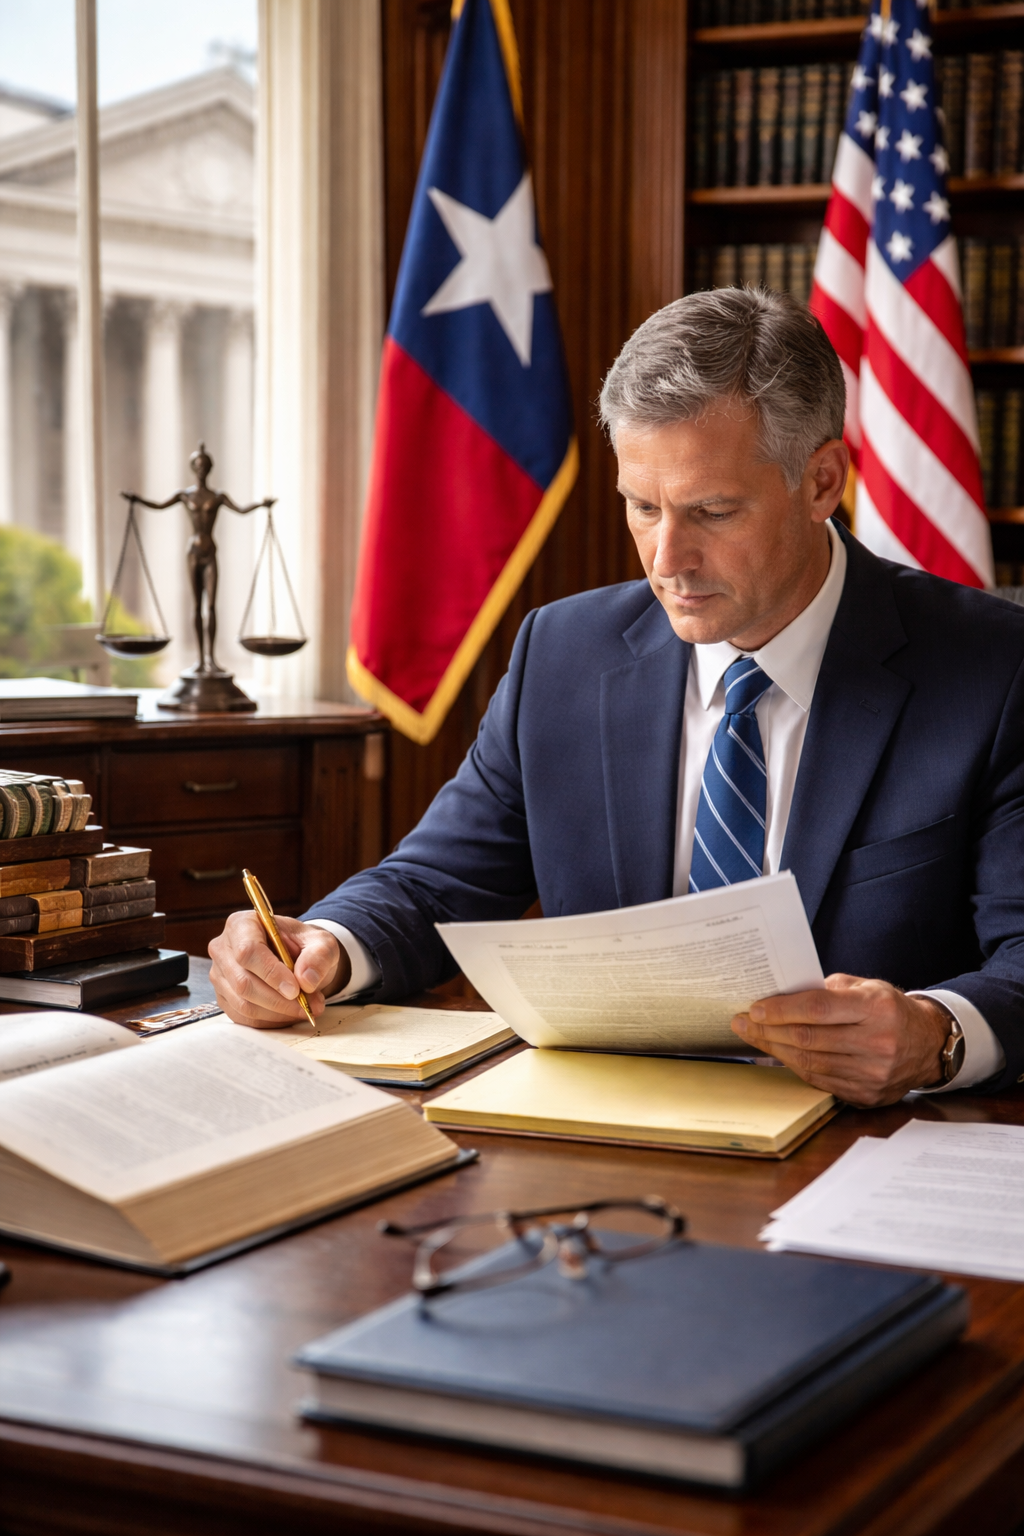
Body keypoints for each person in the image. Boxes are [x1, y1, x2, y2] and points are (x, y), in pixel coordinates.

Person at [209, 288, 1024, 1105]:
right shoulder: (561, 654)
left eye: (712, 511)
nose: (668, 557)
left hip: (869, 1146)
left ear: (821, 482)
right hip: (607, 1138)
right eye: (642, 507)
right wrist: (322, 946)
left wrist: (938, 1035)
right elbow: (435, 885)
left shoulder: (993, 669)